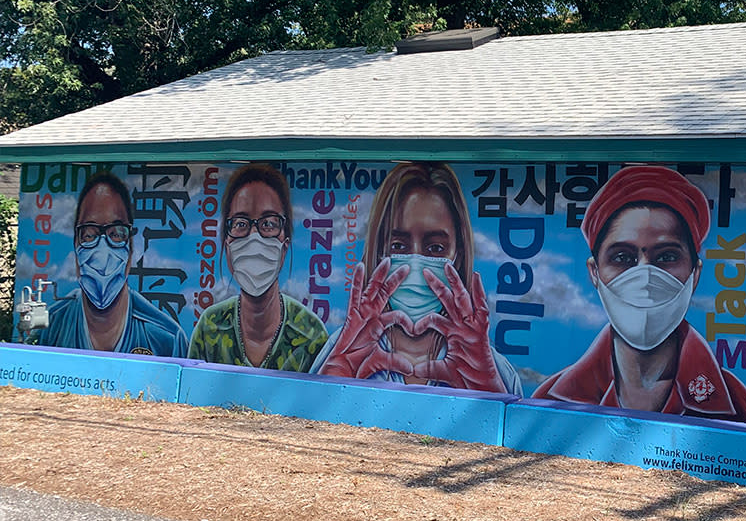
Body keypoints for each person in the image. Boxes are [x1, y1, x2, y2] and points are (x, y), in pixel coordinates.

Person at [533, 166, 746, 425]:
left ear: (695, 274)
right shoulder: (555, 397)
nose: (645, 277)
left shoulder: (735, 407)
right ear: (594, 272)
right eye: (622, 257)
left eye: (667, 257)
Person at [310, 162, 522, 395]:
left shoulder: (493, 372)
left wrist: (489, 397)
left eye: (435, 248)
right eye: (398, 245)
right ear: (378, 251)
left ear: (457, 256)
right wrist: (333, 382)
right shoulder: (342, 351)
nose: (414, 264)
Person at [188, 164, 328, 371]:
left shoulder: (311, 336)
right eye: (241, 224)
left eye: (269, 224)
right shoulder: (210, 329)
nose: (255, 237)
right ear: (227, 246)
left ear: (284, 245)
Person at [38, 171, 188, 357]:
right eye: (90, 235)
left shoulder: (167, 338)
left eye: (116, 233)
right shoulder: (51, 325)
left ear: (131, 248)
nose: (102, 250)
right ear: (76, 247)